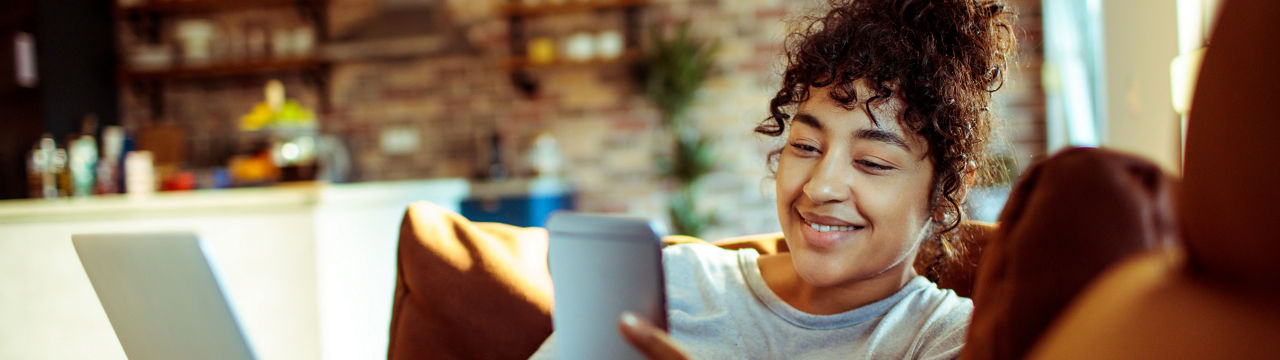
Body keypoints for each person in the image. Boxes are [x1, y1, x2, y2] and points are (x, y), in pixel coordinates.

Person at [532, 0, 1015, 358]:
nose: (820, 187)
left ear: (948, 189)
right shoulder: (673, 285)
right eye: (805, 147)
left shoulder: (948, 341)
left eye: (872, 162)